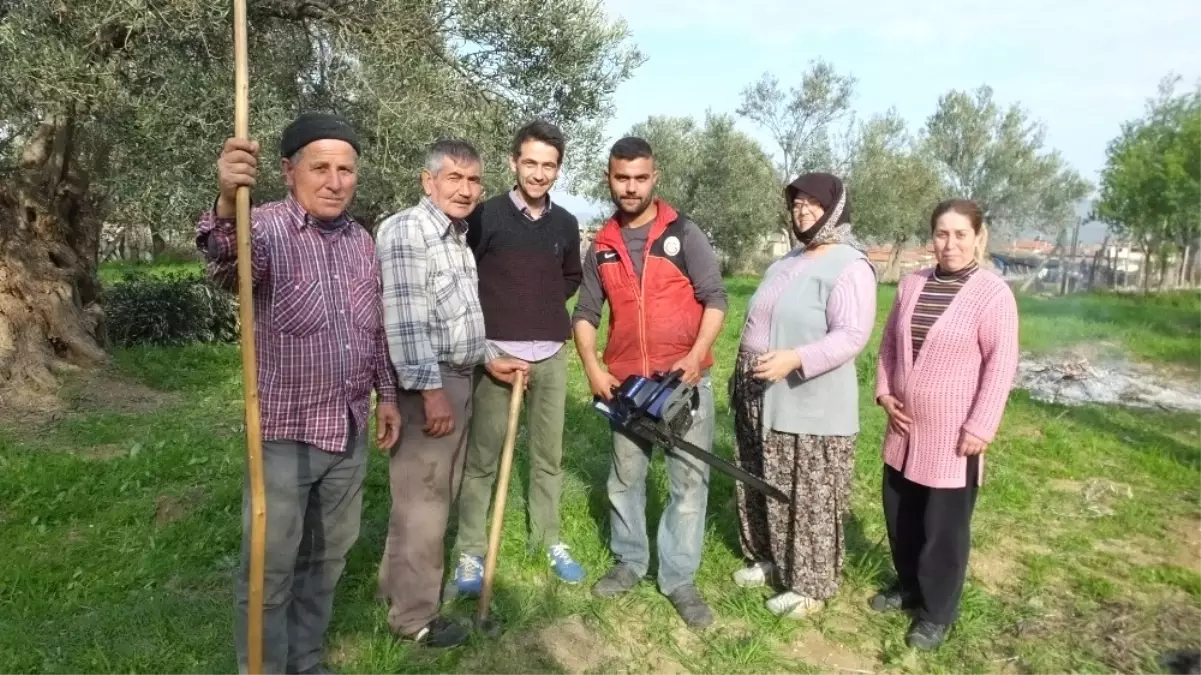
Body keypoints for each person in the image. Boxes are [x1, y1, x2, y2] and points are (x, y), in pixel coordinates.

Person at [196, 112, 402, 675]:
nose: (335, 181)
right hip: (284, 436)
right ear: (289, 172)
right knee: (269, 570)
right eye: (320, 168)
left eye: (346, 169)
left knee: (328, 559)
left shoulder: (362, 241)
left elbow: (375, 328)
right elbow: (223, 261)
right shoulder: (260, 227)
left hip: (348, 432)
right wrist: (224, 199)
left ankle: (305, 660)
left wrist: (386, 396)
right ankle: (262, 667)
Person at [374, 139, 528, 649]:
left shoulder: (455, 236)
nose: (465, 190)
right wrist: (430, 390)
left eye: (473, 181)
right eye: (454, 179)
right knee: (426, 503)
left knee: (429, 497)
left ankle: (396, 592)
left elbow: (454, 317)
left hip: (457, 376)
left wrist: (487, 355)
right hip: (429, 384)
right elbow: (405, 320)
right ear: (428, 181)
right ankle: (415, 618)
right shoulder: (408, 231)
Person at [572, 136, 727, 629]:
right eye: (622, 178)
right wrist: (593, 368)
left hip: (683, 384)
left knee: (688, 483)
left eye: (640, 178)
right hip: (627, 388)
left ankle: (679, 579)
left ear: (654, 177)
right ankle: (630, 561)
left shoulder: (684, 234)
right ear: (609, 179)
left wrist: (694, 356)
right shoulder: (602, 245)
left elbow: (717, 299)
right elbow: (586, 313)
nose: (631, 187)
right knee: (625, 480)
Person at [872, 198, 1019, 650]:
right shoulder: (914, 282)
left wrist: (980, 427)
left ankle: (936, 612)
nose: (949, 244)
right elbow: (890, 347)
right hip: (904, 428)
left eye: (960, 234)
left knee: (944, 528)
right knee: (902, 515)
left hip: (954, 436)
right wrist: (883, 393)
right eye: (941, 233)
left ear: (979, 238)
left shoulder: (992, 294)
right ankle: (910, 585)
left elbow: (1001, 364)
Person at [730, 173, 878, 619]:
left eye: (813, 203)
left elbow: (852, 335)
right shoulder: (790, 259)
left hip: (807, 397)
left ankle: (811, 585)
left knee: (807, 491)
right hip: (760, 388)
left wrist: (795, 357)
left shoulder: (850, 265)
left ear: (835, 208)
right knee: (762, 478)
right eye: (796, 203)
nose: (802, 211)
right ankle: (771, 559)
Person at [450, 120, 585, 594]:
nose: (538, 173)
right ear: (513, 162)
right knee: (483, 457)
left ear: (558, 170)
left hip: (550, 355)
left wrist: (541, 308)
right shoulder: (484, 217)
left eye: (548, 166)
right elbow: (464, 279)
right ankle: (470, 551)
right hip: (497, 358)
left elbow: (569, 278)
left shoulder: (566, 225)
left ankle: (547, 538)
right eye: (530, 163)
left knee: (548, 456)